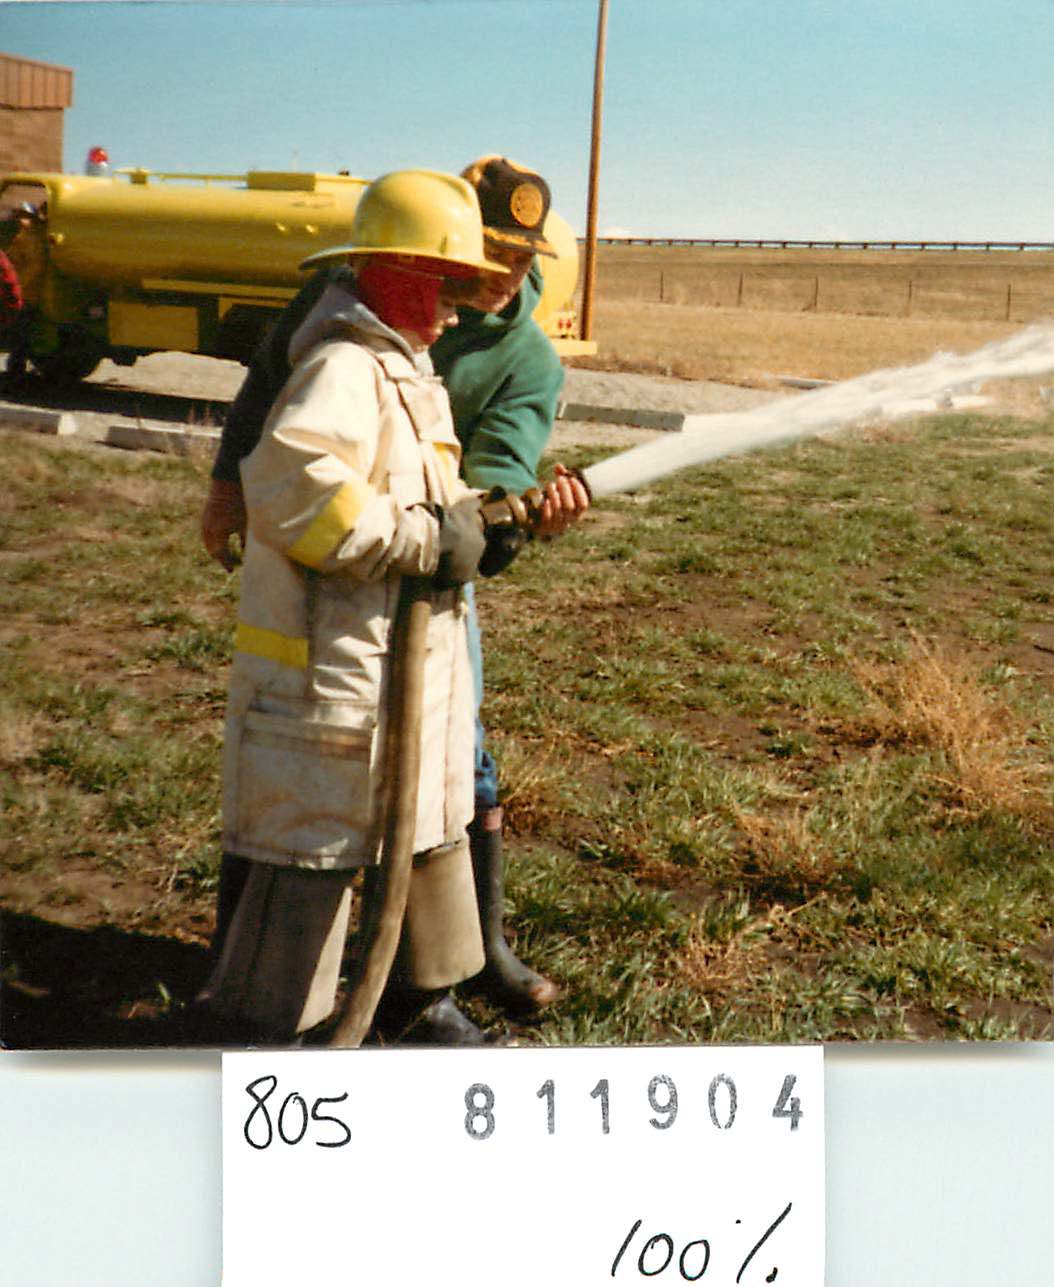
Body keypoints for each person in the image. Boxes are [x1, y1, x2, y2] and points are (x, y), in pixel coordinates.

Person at [202, 156, 589, 1026]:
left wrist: (510, 521)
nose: (478, 287)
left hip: (419, 614)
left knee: (447, 776)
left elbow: (472, 496)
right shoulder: (350, 350)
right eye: (463, 268)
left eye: (511, 263)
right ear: (410, 266)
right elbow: (296, 467)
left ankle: (433, 983)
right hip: (344, 627)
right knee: (316, 809)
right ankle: (270, 1009)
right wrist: (419, 535)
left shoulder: (467, 353)